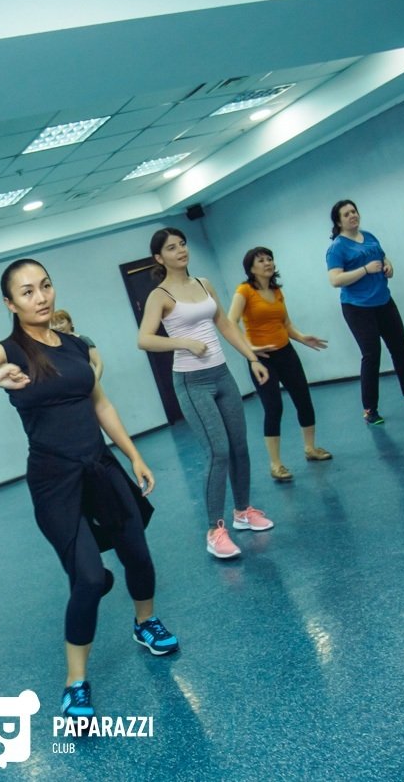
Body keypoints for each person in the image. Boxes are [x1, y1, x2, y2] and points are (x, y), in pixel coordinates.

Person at [0, 259, 178, 720]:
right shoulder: (9, 350)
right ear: (10, 303)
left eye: (45, 286)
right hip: (54, 480)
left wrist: (134, 455)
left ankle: (145, 622)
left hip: (101, 467)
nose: (41, 297)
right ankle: (75, 683)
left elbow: (101, 404)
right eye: (27, 292)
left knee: (138, 553)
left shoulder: (75, 345)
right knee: (88, 578)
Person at [138, 227, 274, 561]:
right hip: (191, 381)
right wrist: (183, 342)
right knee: (218, 451)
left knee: (240, 447)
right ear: (159, 258)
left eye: (182, 244)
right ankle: (215, 530)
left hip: (221, 374)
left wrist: (252, 358)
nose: (181, 250)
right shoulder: (160, 295)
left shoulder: (203, 284)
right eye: (172, 248)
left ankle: (243, 511)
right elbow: (145, 339)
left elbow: (225, 324)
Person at [326, 200, 404, 425]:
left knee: (400, 347)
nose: (352, 215)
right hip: (357, 308)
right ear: (338, 222)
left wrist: (388, 266)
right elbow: (335, 280)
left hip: (384, 302)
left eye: (354, 211)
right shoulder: (337, 248)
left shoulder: (369, 236)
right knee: (371, 355)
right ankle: (370, 409)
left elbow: (383, 258)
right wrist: (365, 269)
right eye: (346, 214)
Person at [227, 246, 332, 482]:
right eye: (261, 260)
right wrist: (249, 349)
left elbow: (286, 324)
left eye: (269, 259)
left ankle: (310, 448)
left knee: (303, 399)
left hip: (286, 352)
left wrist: (302, 337)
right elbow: (230, 322)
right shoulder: (244, 291)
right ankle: (275, 464)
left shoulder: (276, 291)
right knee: (274, 407)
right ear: (251, 268)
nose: (267, 263)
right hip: (262, 358)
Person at [49, 309, 103, 380]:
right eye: (55, 324)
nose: (58, 327)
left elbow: (99, 364)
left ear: (70, 323)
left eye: (61, 323)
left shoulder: (83, 339)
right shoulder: (52, 344)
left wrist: (94, 383)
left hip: (85, 380)